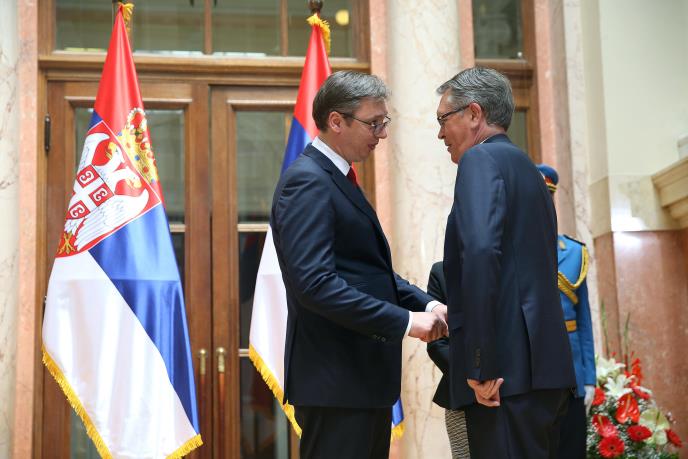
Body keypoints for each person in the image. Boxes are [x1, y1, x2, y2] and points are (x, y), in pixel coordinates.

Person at [271, 70, 448, 459]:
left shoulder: (337, 177)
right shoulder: (308, 181)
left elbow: (369, 274)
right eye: (374, 123)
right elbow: (316, 285)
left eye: (384, 122)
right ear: (336, 121)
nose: (382, 134)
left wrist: (430, 304)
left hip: (359, 381)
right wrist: (405, 321)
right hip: (336, 382)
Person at [437, 67, 576, 458]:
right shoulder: (527, 168)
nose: (440, 134)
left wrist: (481, 364)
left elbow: (481, 254)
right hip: (542, 373)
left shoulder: (480, 160)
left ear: (474, 114)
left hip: (503, 380)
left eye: (444, 119)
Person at [537, 164, 596, 459]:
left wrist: (590, 379)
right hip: (534, 376)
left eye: (547, 198)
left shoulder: (574, 252)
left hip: (573, 374)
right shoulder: (513, 251)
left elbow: (584, 321)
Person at [426, 261, 471, 459]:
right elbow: (437, 344)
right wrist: (476, 376)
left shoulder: (516, 266)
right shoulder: (442, 272)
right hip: (463, 395)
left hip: (518, 391)